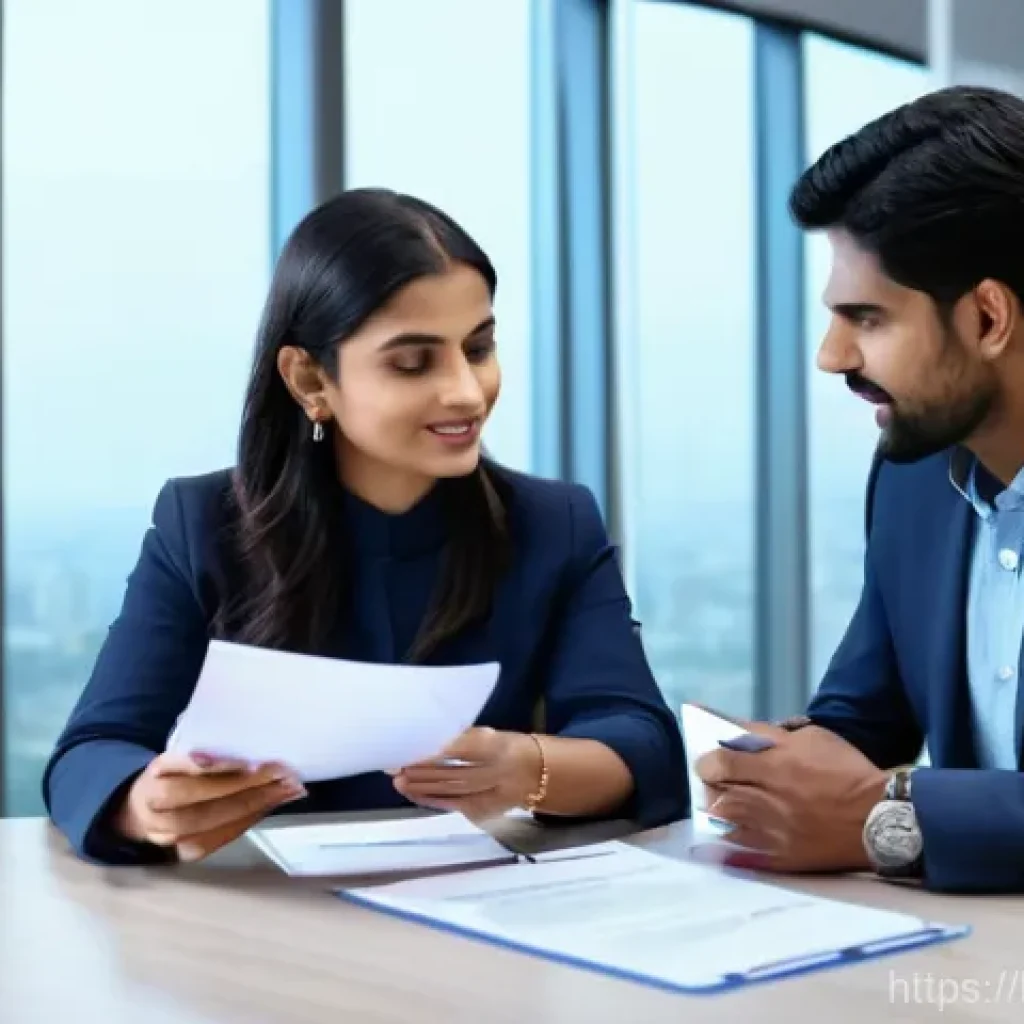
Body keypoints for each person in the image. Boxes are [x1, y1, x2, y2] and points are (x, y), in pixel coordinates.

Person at [44, 187, 687, 865]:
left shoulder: (555, 524)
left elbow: (642, 741)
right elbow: (92, 752)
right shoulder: (201, 524)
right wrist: (145, 806)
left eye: (478, 347)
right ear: (310, 380)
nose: (467, 391)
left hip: (480, 918)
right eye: (413, 362)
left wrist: (526, 766)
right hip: (262, 922)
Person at [696, 85, 1024, 893]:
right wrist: (761, 769)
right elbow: (860, 723)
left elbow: (870, 797)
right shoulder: (917, 475)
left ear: (988, 319)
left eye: (867, 318)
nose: (832, 356)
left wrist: (891, 818)